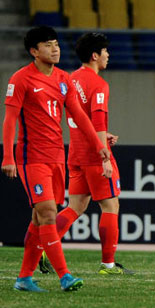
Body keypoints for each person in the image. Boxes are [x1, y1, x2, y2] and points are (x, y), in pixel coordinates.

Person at [2, 26, 110, 292]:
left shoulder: (64, 79)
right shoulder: (21, 79)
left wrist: (99, 145)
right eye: (48, 45)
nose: (55, 48)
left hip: (56, 157)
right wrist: (8, 156)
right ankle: (65, 276)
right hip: (31, 157)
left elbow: (79, 116)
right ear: (34, 51)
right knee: (48, 213)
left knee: (39, 219)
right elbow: (10, 120)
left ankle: (24, 278)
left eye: (56, 44)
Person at [46, 32, 132, 275]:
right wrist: (104, 154)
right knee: (110, 206)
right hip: (95, 154)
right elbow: (97, 119)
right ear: (95, 55)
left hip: (75, 152)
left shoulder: (70, 79)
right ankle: (108, 265)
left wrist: (102, 136)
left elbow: (80, 119)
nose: (108, 55)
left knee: (76, 206)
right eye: (105, 51)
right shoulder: (99, 84)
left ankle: (45, 247)